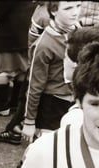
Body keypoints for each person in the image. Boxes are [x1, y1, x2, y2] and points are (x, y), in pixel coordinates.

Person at [22, 1, 81, 143]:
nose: (75, 12)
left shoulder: (77, 29)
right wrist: (29, 120)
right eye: (68, 8)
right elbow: (34, 86)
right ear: (54, 11)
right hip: (52, 105)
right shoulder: (43, 45)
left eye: (78, 6)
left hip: (74, 101)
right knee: (47, 149)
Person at [0, 1, 36, 117]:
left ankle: (0, 106)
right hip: (25, 31)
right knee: (22, 69)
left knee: (0, 70)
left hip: (7, 35)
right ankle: (16, 104)